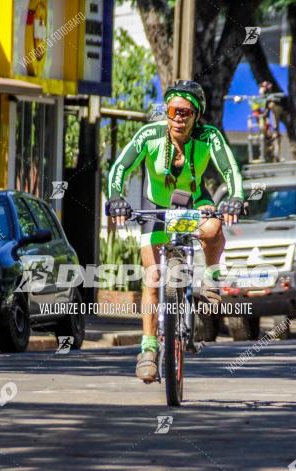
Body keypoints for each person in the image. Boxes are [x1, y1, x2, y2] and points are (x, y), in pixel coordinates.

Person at [104, 80, 245, 382]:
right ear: (166, 112)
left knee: (212, 228)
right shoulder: (150, 135)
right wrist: (116, 198)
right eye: (173, 110)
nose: (178, 117)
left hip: (196, 203)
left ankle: (210, 277)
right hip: (155, 206)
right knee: (152, 277)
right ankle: (148, 347)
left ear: (197, 115)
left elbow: (230, 170)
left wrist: (235, 197)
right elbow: (119, 168)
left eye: (186, 112)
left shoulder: (209, 137)